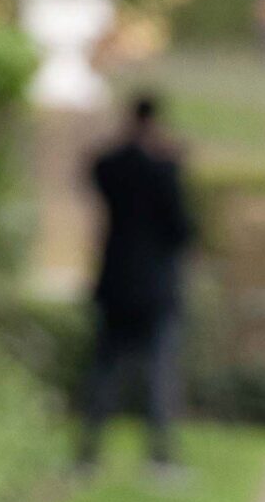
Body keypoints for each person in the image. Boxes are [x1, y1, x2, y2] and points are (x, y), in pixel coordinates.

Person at [78, 94, 194, 478]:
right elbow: (181, 228)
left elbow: (95, 168)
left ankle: (88, 452)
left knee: (104, 372)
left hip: (115, 282)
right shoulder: (163, 169)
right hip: (155, 286)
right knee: (158, 373)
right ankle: (159, 456)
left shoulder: (114, 165)